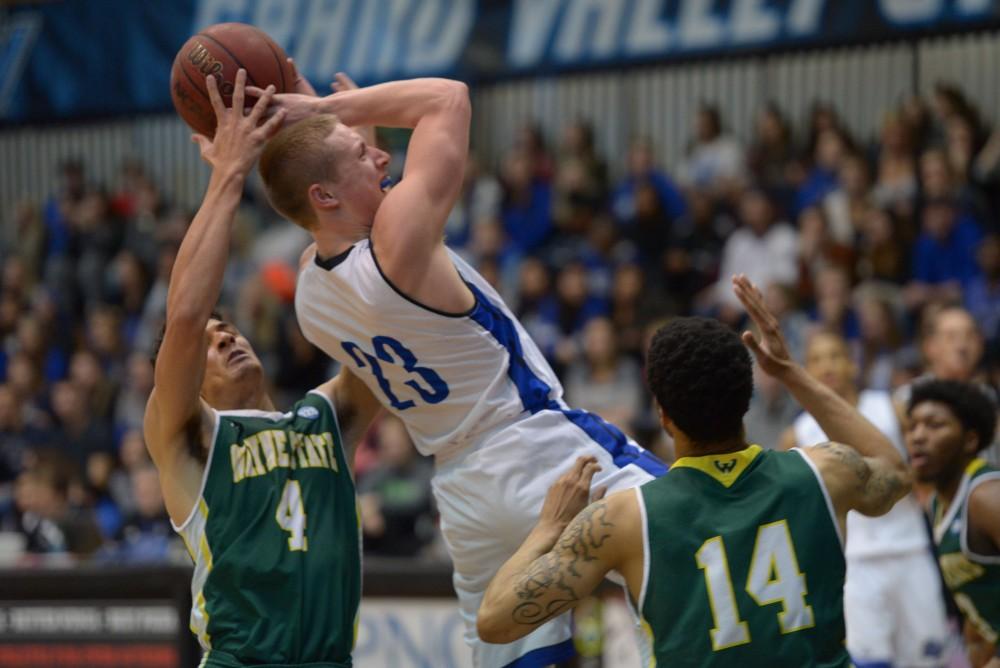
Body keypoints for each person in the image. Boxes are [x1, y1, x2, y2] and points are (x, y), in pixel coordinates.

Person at [254, 77, 667, 666]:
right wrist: (329, 108)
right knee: (692, 546)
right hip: (536, 447)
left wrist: (335, 130)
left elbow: (339, 218)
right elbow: (449, 98)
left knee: (517, 659)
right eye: (363, 154)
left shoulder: (309, 299)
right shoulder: (399, 243)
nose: (383, 155)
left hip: (463, 491)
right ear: (324, 195)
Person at [477, 275, 911, 667]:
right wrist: (792, 374)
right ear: (747, 399)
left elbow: (494, 622)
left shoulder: (622, 519)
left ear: (663, 415)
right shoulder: (824, 471)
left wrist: (549, 527)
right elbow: (895, 469)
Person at [143, 70, 380, 668]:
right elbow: (189, 316)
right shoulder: (190, 439)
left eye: (231, 331)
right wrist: (229, 173)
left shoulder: (326, 416)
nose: (225, 340)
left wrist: (358, 182)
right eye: (211, 345)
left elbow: (386, 317)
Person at [779, 329, 948, 666]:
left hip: (909, 550)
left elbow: (925, 469)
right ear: (806, 372)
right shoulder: (796, 434)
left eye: (835, 356)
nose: (827, 366)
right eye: (817, 359)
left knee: (930, 660)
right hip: (852, 565)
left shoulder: (889, 407)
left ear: (852, 363)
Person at [907, 380, 1000, 668]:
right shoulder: (938, 504)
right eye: (912, 426)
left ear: (970, 440)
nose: (918, 436)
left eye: (935, 425)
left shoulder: (986, 496)